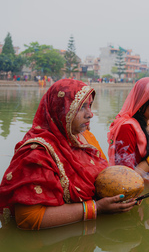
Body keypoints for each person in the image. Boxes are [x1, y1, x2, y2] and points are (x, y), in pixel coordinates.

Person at [0, 79, 136, 230]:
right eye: (81, 107)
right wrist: (96, 208)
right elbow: (28, 218)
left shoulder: (86, 137)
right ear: (61, 110)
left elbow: (104, 178)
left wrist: (123, 194)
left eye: (90, 106)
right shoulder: (37, 153)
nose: (90, 114)